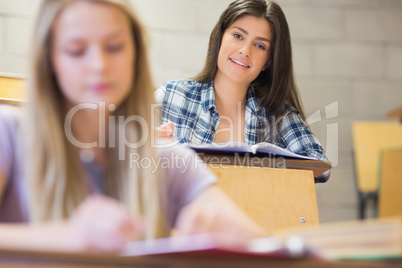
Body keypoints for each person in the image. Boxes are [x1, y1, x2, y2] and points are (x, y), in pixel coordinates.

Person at [0, 0, 265, 253]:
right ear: (49, 61)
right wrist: (68, 237)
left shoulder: (170, 160)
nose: (99, 66)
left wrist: (224, 233)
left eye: (114, 47)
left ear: (135, 56)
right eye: (76, 51)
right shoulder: (8, 133)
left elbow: (266, 248)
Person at [155, 0, 330, 182]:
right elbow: (128, 157)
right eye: (238, 36)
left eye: (260, 46)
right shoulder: (171, 95)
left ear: (268, 62)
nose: (245, 51)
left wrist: (267, 166)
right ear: (221, 37)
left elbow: (321, 167)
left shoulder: (278, 115)